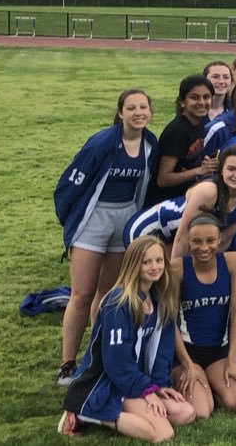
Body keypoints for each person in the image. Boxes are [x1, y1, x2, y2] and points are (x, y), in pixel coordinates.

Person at [55, 89, 161, 385]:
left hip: (125, 217)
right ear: (120, 113)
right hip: (95, 218)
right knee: (82, 293)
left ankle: (99, 355)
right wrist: (72, 222)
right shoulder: (102, 143)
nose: (138, 112)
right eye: (131, 108)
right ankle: (67, 364)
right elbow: (70, 183)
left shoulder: (150, 143)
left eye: (143, 107)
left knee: (109, 292)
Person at [58, 236, 195, 441]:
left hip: (138, 380)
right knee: (163, 434)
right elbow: (117, 363)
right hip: (110, 381)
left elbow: (162, 351)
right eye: (146, 262)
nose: (154, 267)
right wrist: (146, 392)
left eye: (159, 260)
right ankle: (90, 413)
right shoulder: (118, 302)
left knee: (186, 413)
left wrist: (158, 386)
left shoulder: (160, 297)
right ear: (133, 265)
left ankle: (124, 409)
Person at [169, 215, 236, 416]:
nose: (204, 247)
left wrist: (232, 361)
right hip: (187, 353)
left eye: (210, 240)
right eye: (196, 241)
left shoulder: (233, 262)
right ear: (188, 241)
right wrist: (188, 365)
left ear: (220, 239)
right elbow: (169, 321)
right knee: (202, 411)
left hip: (218, 352)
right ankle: (197, 383)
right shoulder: (177, 268)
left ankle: (211, 384)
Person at [127, 146, 236, 260]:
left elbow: (226, 237)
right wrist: (176, 276)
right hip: (150, 229)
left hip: (180, 238)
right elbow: (183, 237)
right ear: (221, 171)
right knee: (158, 281)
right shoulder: (208, 191)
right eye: (231, 169)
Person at [149, 75, 216, 206]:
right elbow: (163, 179)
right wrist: (198, 171)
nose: (202, 102)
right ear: (182, 101)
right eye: (194, 97)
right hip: (164, 204)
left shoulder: (198, 122)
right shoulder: (177, 131)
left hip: (182, 197)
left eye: (206, 97)